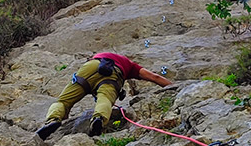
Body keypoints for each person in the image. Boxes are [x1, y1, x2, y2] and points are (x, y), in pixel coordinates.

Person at [36, 52, 173, 140]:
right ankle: (99, 119)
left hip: (90, 67)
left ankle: (52, 119)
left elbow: (67, 103)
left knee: (63, 101)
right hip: (114, 73)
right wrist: (176, 87)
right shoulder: (131, 66)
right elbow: (154, 77)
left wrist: (65, 115)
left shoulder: (100, 55)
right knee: (105, 98)